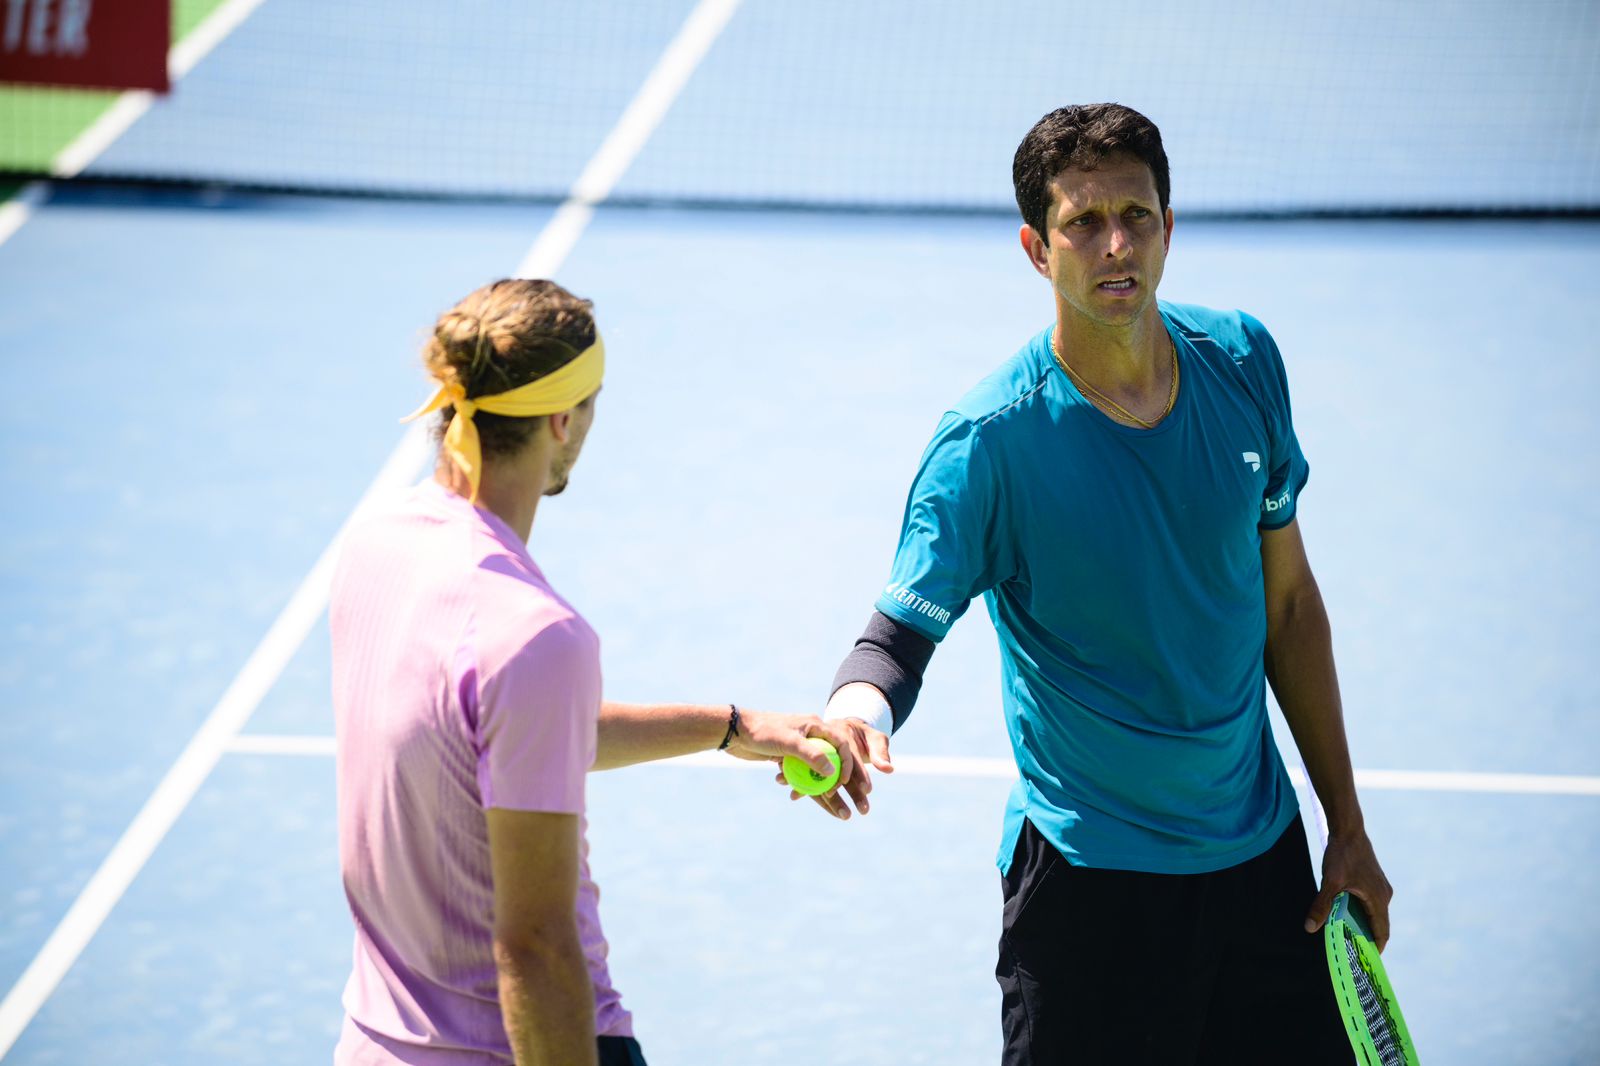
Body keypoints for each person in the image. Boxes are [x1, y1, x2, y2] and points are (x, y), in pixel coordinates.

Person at [814, 104, 1393, 1063]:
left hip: (1264, 872)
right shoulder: (989, 444)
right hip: (1091, 893)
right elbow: (895, 640)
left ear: (1171, 225)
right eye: (1084, 222)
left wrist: (1350, 827)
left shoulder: (1244, 363)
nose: (1116, 245)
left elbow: (1288, 605)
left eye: (1138, 215)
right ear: (1038, 249)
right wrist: (852, 710)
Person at [329, 278, 866, 1066]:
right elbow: (536, 946)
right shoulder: (536, 635)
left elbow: (501, 732)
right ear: (562, 419)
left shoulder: (376, 544)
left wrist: (733, 728)